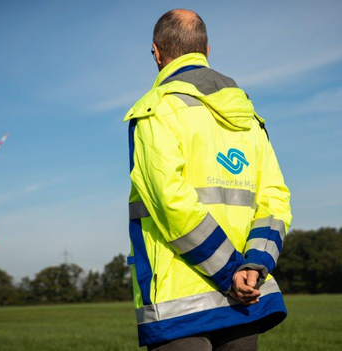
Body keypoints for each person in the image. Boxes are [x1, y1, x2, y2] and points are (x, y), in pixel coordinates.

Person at [124, 9, 292, 350]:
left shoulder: (155, 111)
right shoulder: (250, 117)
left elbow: (172, 203)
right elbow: (274, 201)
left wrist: (229, 271)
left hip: (179, 303)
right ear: (207, 51)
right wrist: (253, 266)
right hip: (246, 298)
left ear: (156, 52)